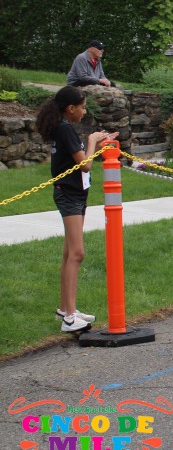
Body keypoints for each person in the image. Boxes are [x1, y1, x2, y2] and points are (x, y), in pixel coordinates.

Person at [36, 87, 118, 333]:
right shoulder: (65, 129)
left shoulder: (65, 128)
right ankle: (70, 318)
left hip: (76, 194)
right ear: (70, 108)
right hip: (69, 195)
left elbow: (80, 159)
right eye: (82, 107)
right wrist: (92, 141)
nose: (84, 110)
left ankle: (66, 309)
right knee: (77, 253)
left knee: (68, 252)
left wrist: (97, 142)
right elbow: (84, 165)